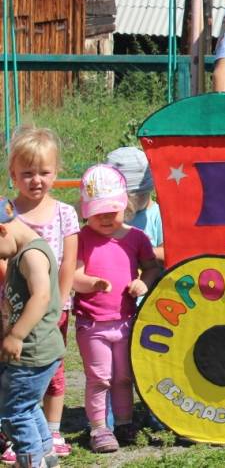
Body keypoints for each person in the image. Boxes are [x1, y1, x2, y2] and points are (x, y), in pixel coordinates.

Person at [73, 165, 161, 453]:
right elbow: (74, 276)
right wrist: (92, 283)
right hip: (93, 323)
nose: (106, 217)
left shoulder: (136, 238)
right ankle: (99, 428)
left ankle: (124, 424)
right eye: (98, 212)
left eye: (112, 210)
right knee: (99, 378)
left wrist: (142, 284)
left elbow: (150, 267)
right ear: (86, 211)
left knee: (124, 376)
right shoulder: (82, 238)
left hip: (125, 321)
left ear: (125, 204)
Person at [4, 127, 78, 462]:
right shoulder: (9, 212)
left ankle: (42, 441)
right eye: (27, 173)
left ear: (56, 172)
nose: (36, 180)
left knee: (37, 380)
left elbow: (66, 267)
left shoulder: (62, 215)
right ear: (12, 175)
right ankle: (37, 446)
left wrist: (59, 306)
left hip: (46, 311)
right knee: (19, 383)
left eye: (44, 172)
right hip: (15, 308)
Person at [0, 197, 65, 468]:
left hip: (33, 351)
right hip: (37, 349)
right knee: (27, 407)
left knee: (14, 412)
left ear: (1, 230)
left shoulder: (32, 255)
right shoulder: (21, 252)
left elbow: (41, 296)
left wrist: (16, 335)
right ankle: (47, 456)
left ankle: (30, 461)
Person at [106, 147, 163, 263]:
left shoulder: (157, 215)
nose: (123, 205)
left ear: (145, 192)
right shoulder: (111, 213)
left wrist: (139, 250)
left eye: (128, 198)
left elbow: (167, 252)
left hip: (149, 277)